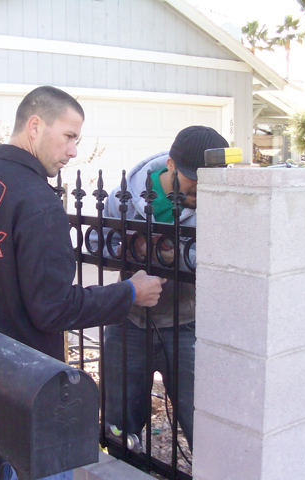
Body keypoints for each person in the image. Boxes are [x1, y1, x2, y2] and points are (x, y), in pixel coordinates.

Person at [0, 86, 166, 480]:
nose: (73, 151)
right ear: (35, 126)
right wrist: (130, 292)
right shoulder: (38, 202)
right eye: (69, 136)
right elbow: (54, 308)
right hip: (25, 389)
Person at [102, 126, 230, 454]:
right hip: (128, 321)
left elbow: (227, 259)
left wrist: (179, 257)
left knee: (204, 425)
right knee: (119, 424)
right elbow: (96, 244)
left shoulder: (221, 202)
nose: (201, 188)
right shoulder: (124, 196)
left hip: (187, 324)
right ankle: (123, 465)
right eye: (194, 178)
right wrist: (130, 250)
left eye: (210, 180)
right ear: (171, 165)